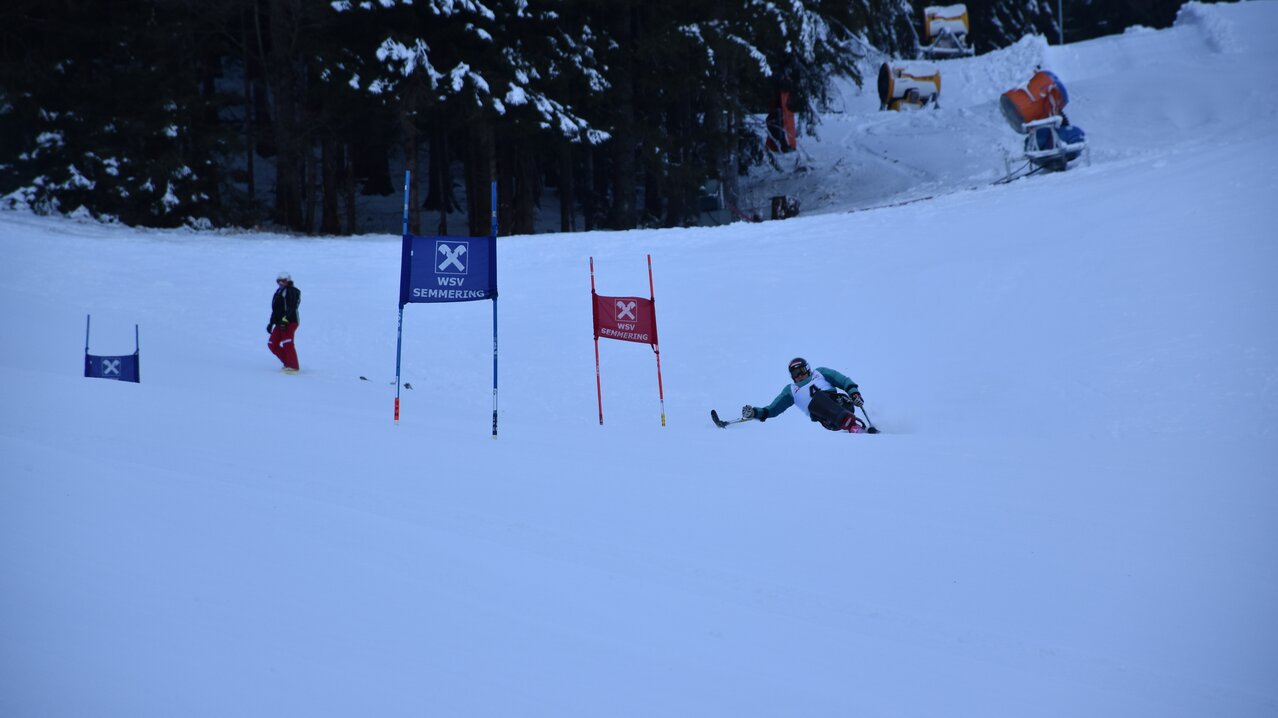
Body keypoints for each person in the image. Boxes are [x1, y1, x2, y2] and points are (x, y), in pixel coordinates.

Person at [742, 357, 873, 433]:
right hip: (827, 420)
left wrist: (854, 394)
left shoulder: (820, 373)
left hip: (842, 404)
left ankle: (852, 425)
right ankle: (852, 426)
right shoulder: (791, 390)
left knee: (820, 398)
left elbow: (843, 380)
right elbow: (773, 409)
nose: (800, 375)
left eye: (802, 371)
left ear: (808, 368)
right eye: (795, 374)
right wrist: (755, 412)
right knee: (815, 403)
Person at [267, 271, 301, 373]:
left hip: (290, 321)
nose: (281, 283)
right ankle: (288, 363)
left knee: (287, 342)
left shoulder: (292, 291)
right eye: (278, 281)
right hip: (279, 322)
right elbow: (276, 310)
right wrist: (271, 323)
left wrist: (285, 319)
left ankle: (293, 366)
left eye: (283, 281)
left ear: (288, 281)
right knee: (272, 344)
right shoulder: (279, 292)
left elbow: (292, 307)